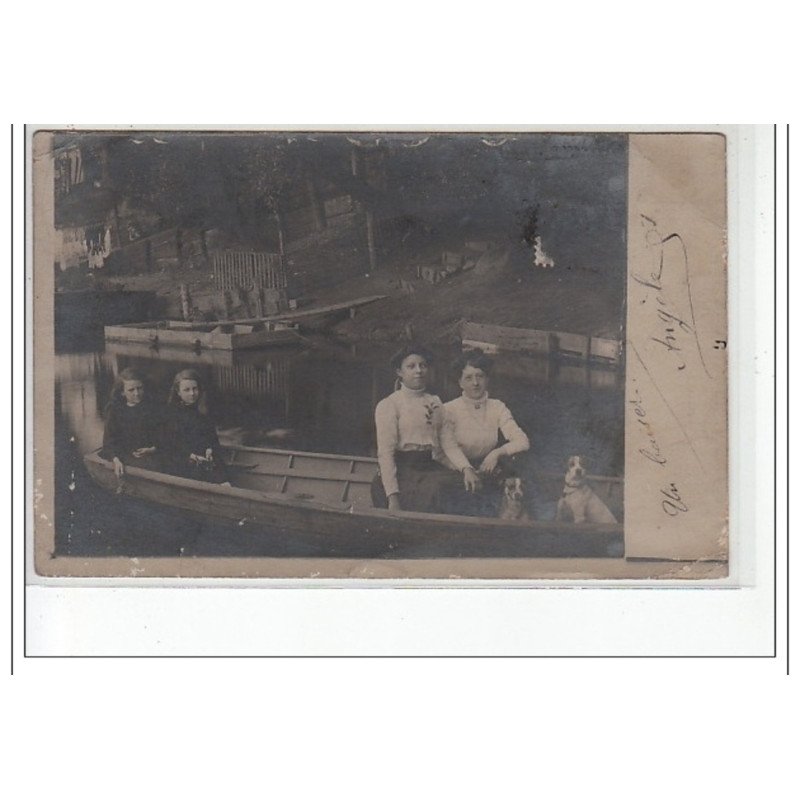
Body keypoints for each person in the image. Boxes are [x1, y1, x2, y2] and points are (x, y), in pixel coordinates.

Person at [370, 344, 460, 513]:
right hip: (403, 472)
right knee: (437, 489)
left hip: (428, 467)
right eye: (411, 366)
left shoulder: (435, 402)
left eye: (423, 365)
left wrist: (465, 469)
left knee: (457, 483)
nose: (419, 371)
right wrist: (393, 497)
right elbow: (386, 454)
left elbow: (443, 447)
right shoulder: (389, 405)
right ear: (399, 372)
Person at [440, 350, 530, 515]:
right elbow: (447, 449)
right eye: (468, 378)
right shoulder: (449, 410)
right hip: (455, 471)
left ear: (487, 379)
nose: (475, 383)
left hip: (486, 468)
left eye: (480, 376)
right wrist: (466, 469)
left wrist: (496, 453)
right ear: (459, 382)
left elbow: (522, 441)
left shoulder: (497, 407)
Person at [163, 369, 230, 484]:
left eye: (195, 389)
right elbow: (170, 447)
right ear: (178, 392)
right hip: (182, 464)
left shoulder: (203, 412)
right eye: (187, 390)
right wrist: (192, 456)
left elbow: (212, 440)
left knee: (223, 479)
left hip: (205, 461)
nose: (192, 393)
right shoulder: (171, 415)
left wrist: (210, 450)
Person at [101, 368, 162, 478]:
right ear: (122, 392)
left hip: (151, 454)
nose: (137, 393)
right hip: (125, 457)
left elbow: (162, 435)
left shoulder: (152, 408)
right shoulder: (115, 411)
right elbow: (108, 442)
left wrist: (152, 449)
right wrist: (116, 460)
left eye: (139, 388)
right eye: (131, 390)